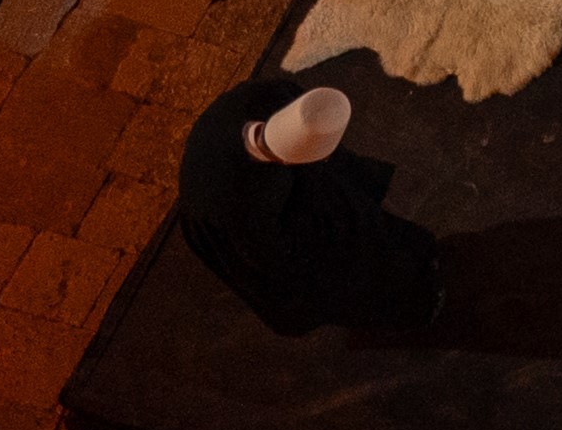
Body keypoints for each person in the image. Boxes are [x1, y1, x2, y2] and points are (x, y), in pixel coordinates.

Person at [174, 84, 443, 336]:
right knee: (351, 278)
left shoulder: (260, 97)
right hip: (261, 225)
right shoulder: (242, 208)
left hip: (289, 200)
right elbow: (282, 262)